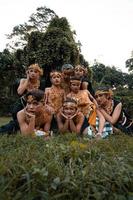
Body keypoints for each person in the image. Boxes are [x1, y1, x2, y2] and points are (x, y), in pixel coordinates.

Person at [0, 63, 45, 134]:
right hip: (21, 104)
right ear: (28, 72)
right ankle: (12, 129)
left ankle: (30, 130)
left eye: (35, 72)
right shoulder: (23, 80)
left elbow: (42, 97)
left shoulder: (41, 83)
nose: (33, 73)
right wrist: (27, 79)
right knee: (18, 121)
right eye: (31, 71)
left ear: (39, 73)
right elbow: (20, 92)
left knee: (32, 120)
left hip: (34, 105)